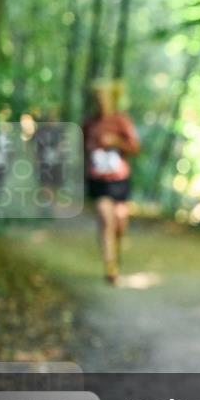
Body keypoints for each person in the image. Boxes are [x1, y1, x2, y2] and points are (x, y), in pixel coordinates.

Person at [83, 80, 140, 285]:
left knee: (119, 220)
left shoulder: (121, 121)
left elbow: (135, 148)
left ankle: (116, 249)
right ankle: (110, 266)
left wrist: (115, 142)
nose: (99, 102)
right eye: (96, 98)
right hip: (98, 178)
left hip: (119, 179)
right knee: (105, 217)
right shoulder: (89, 123)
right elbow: (80, 149)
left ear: (110, 99)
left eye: (102, 97)